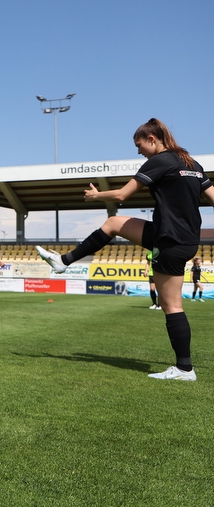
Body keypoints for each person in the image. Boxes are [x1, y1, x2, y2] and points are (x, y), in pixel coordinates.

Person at [37, 118, 214, 381]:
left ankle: (184, 369)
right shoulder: (192, 164)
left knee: (173, 306)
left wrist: (96, 196)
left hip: (168, 241)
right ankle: (64, 261)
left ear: (152, 140)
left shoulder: (159, 161)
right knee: (114, 224)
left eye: (139, 145)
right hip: (185, 239)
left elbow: (121, 196)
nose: (139, 151)